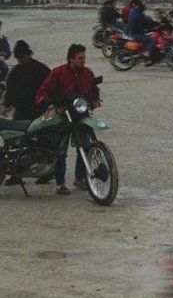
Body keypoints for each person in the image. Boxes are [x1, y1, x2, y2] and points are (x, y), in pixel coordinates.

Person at [34, 44, 100, 195]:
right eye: (80, 58)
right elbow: (43, 93)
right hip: (63, 115)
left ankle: (80, 178)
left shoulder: (88, 73)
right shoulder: (58, 73)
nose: (83, 60)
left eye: (84, 57)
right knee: (61, 150)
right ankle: (60, 184)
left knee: (85, 146)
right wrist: (53, 105)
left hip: (81, 115)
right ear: (71, 59)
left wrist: (95, 100)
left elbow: (94, 89)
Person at [2, 40, 52, 186]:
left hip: (39, 112)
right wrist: (7, 106)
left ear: (28, 55)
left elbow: (50, 88)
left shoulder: (41, 70)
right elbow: (10, 92)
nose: (20, 61)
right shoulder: (15, 72)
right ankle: (17, 174)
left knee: (43, 143)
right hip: (21, 113)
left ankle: (47, 172)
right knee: (17, 144)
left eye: (22, 57)